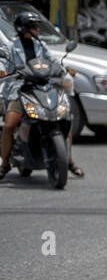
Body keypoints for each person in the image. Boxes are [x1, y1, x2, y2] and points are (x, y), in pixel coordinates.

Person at [1, 10, 84, 179]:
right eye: (34, 27)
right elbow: (2, 61)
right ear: (23, 29)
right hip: (20, 89)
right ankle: (4, 164)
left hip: (42, 88)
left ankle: (68, 161)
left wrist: (65, 69)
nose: (37, 31)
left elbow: (53, 62)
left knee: (61, 121)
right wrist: (2, 71)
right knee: (9, 125)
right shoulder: (11, 47)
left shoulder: (40, 46)